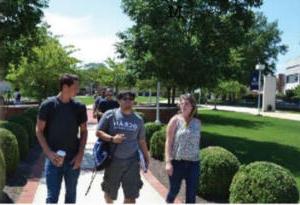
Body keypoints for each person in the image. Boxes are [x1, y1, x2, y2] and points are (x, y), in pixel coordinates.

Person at [36, 74, 88, 203]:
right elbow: (39, 130)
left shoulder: (79, 107)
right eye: (75, 87)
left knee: (70, 197)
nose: (78, 90)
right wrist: (48, 153)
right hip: (53, 160)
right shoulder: (48, 105)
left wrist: (80, 155)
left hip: (73, 160)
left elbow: (84, 131)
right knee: (52, 198)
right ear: (65, 87)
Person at [96, 91, 149, 204]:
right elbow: (99, 132)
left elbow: (141, 140)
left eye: (131, 99)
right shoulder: (110, 115)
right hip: (113, 161)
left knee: (131, 196)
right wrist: (112, 138)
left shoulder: (138, 120)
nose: (128, 101)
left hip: (132, 162)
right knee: (109, 193)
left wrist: (146, 156)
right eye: (125, 99)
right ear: (119, 100)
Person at [165, 94, 201, 203]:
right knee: (174, 191)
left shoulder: (197, 122)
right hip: (177, 163)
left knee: (191, 194)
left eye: (187, 104)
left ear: (192, 106)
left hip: (194, 163)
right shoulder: (175, 120)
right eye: (182, 103)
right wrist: (168, 162)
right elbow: (168, 142)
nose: (183, 106)